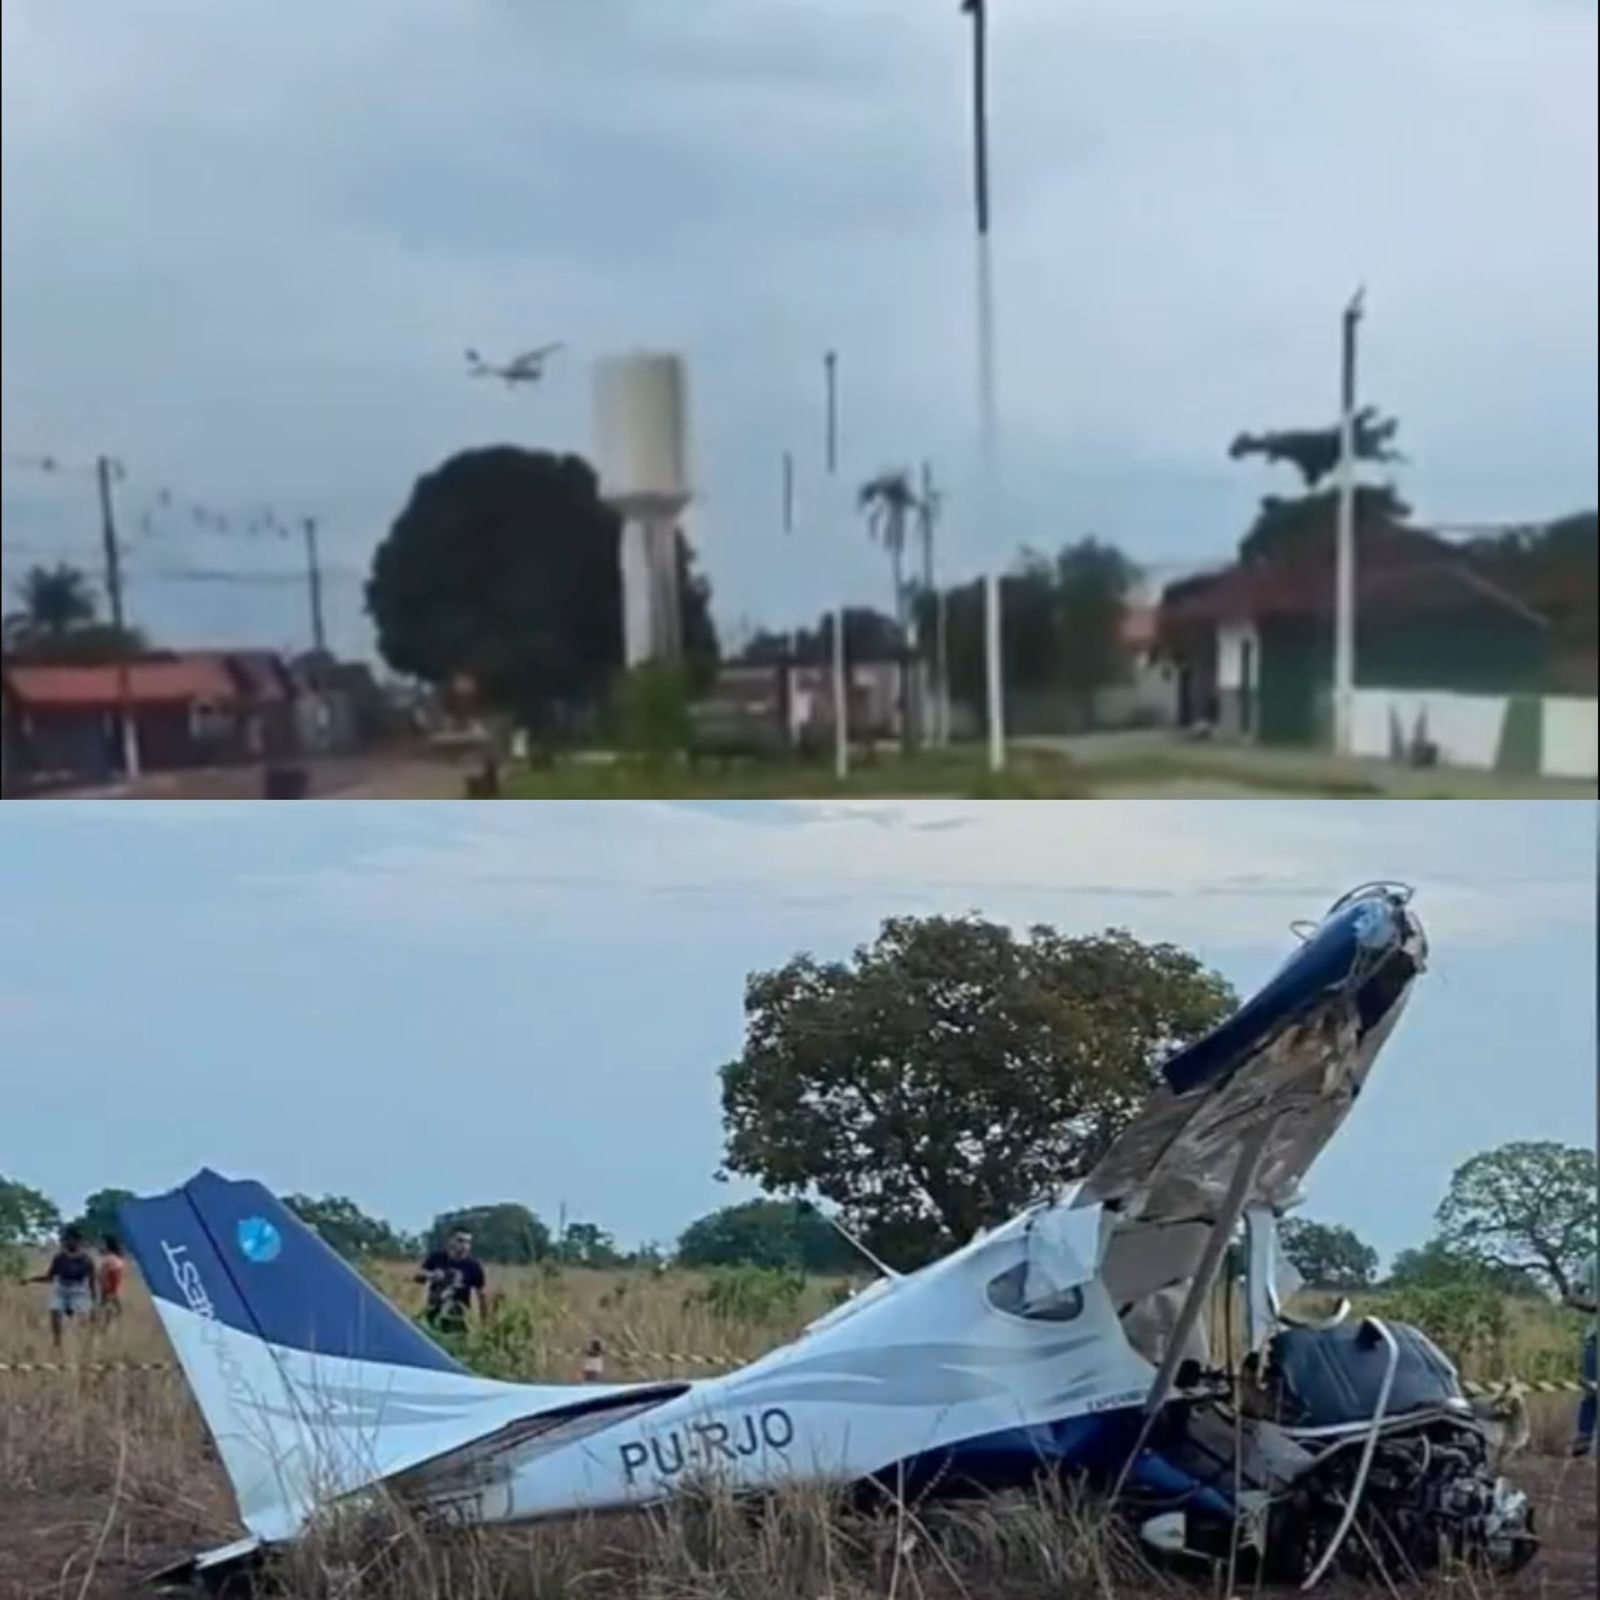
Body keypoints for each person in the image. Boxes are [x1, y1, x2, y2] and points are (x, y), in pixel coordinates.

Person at [29, 1226, 98, 1349]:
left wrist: (93, 1300)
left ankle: (85, 1344)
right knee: (54, 1311)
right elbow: (50, 1277)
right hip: (62, 1288)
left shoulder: (86, 1260)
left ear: (77, 1241)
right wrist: (31, 1279)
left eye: (69, 1239)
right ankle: (57, 1342)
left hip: (79, 1289)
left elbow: (92, 1281)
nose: (66, 1242)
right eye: (65, 1239)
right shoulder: (59, 1258)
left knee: (83, 1318)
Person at [414, 1228, 486, 1333]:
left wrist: (484, 1323)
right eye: (460, 1240)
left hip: (458, 1320)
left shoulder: (473, 1266)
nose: (464, 1245)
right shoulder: (437, 1258)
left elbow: (482, 1296)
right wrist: (432, 1275)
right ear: (450, 1241)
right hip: (433, 1316)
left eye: (468, 1242)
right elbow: (417, 1276)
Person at [1568, 1253, 1597, 1458]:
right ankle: (1583, 1438)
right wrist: (1593, 1305)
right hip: (1596, 1337)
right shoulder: (1594, 1260)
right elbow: (1573, 1295)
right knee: (1592, 1390)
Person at [97, 1236, 126, 1327]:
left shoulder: (108, 1259)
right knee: (111, 1302)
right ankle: (109, 1321)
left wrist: (104, 1282)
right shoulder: (118, 1258)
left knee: (106, 1304)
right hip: (114, 1285)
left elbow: (103, 1273)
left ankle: (105, 1324)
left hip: (108, 1284)